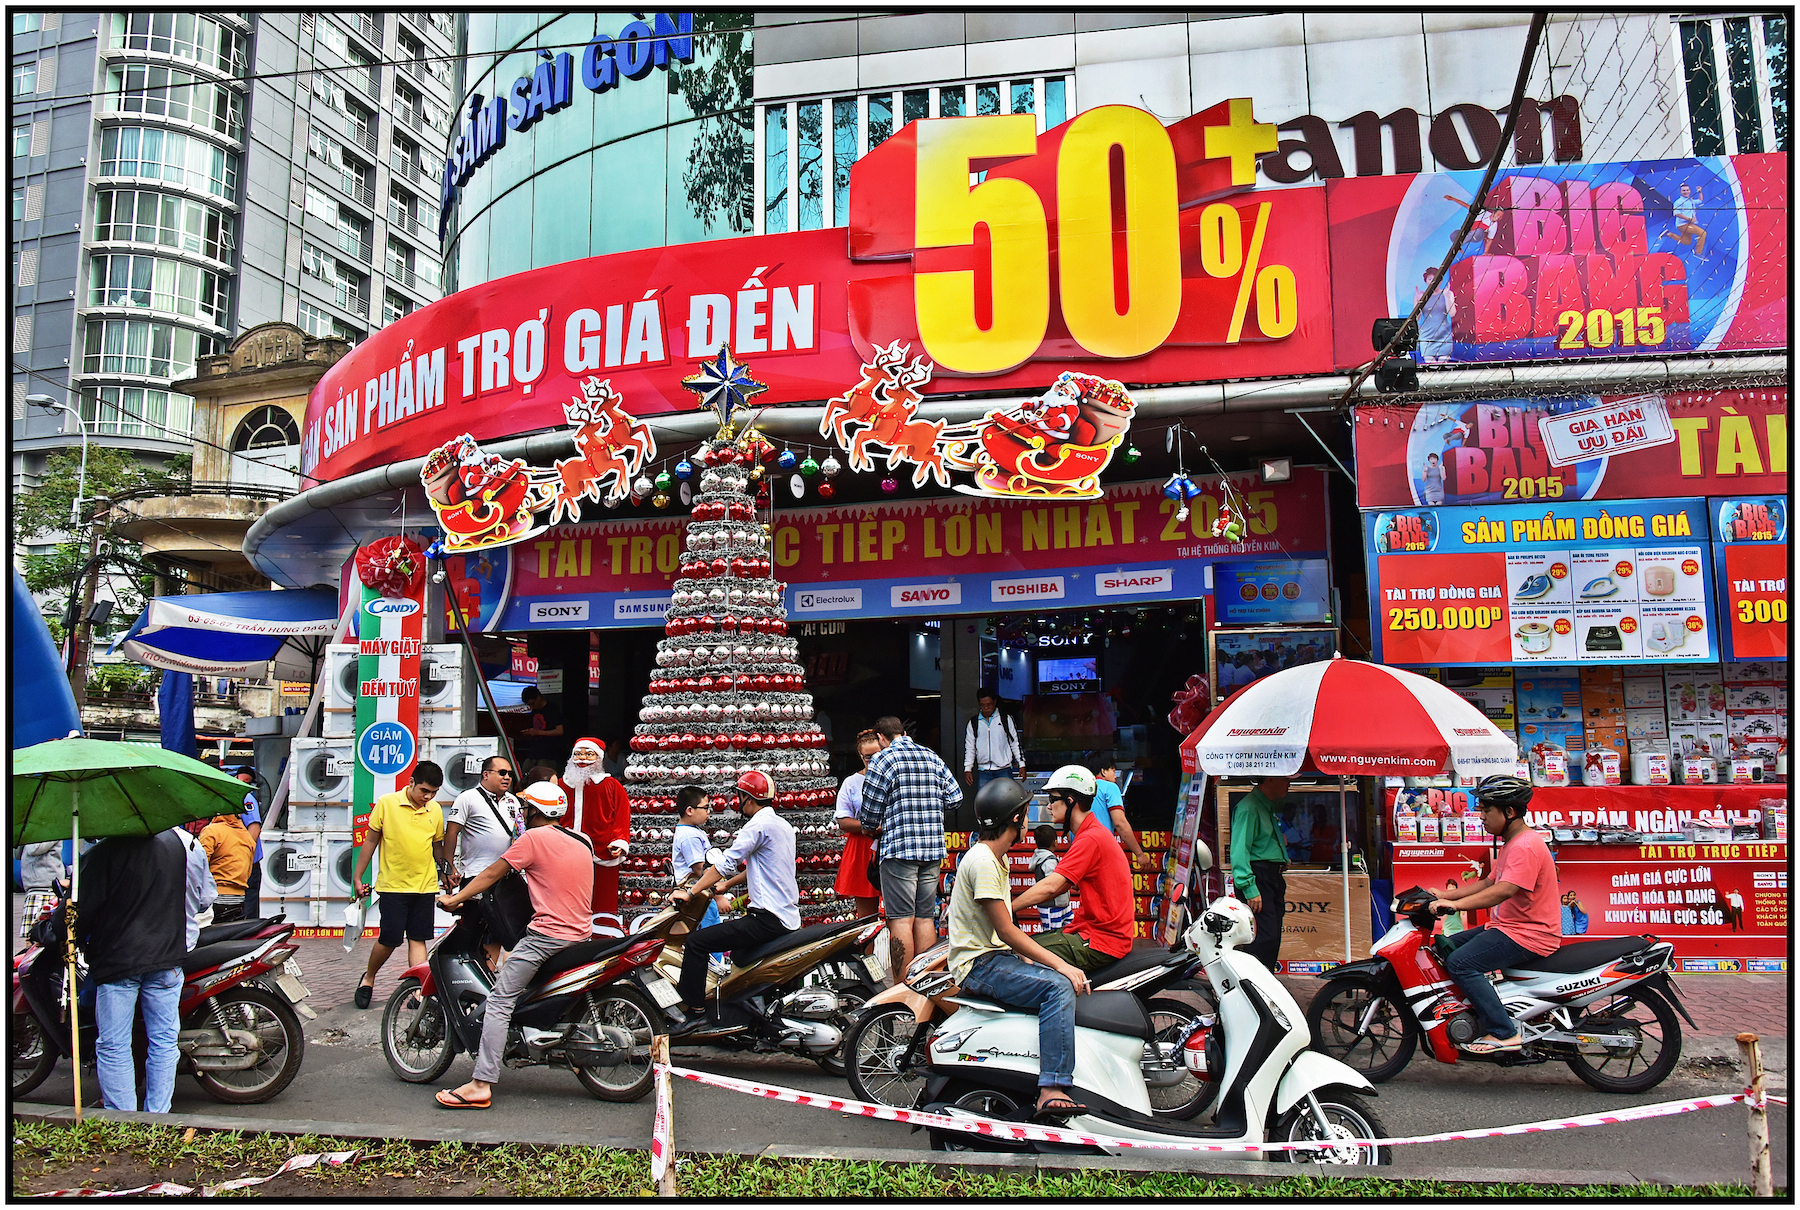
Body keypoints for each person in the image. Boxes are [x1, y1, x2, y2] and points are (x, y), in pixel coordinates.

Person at [433, 780, 595, 1110]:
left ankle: (481, 1083)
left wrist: (456, 898)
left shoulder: (533, 839)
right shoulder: (582, 840)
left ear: (534, 811)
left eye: (525, 809)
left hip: (545, 938)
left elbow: (493, 873)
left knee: (500, 1001)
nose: (522, 813)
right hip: (581, 934)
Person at [948, 777, 1092, 1123]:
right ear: (1015, 819)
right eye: (1025, 813)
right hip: (980, 965)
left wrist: (1032, 959)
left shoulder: (995, 859)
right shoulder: (984, 862)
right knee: (1058, 986)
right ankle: (1052, 1088)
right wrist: (1062, 966)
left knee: (1052, 977)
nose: (1028, 820)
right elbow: (1007, 930)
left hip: (991, 958)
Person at [1429, 775, 1562, 1054]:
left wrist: (1454, 907)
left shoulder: (1525, 846)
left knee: (1461, 963)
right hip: (1508, 927)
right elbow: (1489, 882)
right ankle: (1471, 1011)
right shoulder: (1513, 842)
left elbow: (1504, 890)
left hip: (1529, 934)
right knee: (1444, 946)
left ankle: (1504, 1032)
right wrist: (1444, 895)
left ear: (1509, 812)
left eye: (1487, 810)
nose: (1482, 817)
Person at [669, 771, 799, 1028]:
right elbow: (756, 868)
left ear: (748, 798)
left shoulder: (757, 826)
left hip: (766, 918)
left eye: (739, 796)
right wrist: (725, 886)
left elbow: (725, 863)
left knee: (696, 943)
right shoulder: (782, 826)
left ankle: (694, 1013)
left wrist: (691, 892)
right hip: (786, 916)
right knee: (739, 957)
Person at [76, 830, 187, 1112]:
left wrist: (56, 931)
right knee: (164, 1042)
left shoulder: (102, 854)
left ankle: (123, 1119)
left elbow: (82, 912)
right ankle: (158, 1115)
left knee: (114, 1044)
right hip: (167, 957)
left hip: (120, 961)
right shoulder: (175, 845)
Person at [860, 713, 962, 980]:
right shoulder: (931, 756)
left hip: (899, 850)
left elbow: (869, 813)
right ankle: (927, 982)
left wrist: (872, 824)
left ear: (881, 737)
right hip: (931, 850)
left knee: (901, 918)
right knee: (925, 916)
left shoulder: (883, 759)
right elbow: (955, 797)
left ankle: (904, 985)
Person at [1010, 767, 1134, 974]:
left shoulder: (1091, 838)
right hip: (1091, 931)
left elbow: (1052, 886)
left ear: (1070, 801)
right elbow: (1060, 884)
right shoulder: (1090, 833)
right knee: (1024, 946)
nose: (1048, 806)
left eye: (1052, 799)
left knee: (1020, 957)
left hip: (1102, 940)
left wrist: (1007, 908)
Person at [351, 762, 447, 1009]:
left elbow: (437, 847)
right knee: (390, 938)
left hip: (425, 886)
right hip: (393, 885)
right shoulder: (387, 803)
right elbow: (371, 840)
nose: (428, 797)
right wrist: (357, 876)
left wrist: (446, 872)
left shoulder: (434, 810)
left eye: (434, 793)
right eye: (424, 790)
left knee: (418, 938)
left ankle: (418, 992)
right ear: (411, 782)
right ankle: (368, 978)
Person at [445, 754, 521, 967]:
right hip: (475, 876)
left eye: (509, 774)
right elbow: (452, 833)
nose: (507, 777)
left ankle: (487, 977)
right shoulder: (467, 797)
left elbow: (520, 835)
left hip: (505, 878)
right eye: (502, 773)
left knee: (498, 931)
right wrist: (448, 867)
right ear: (486, 775)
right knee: (474, 929)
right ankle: (466, 973)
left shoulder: (513, 801)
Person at [559, 737, 631, 931]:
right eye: (578, 754)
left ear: (598, 757)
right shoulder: (560, 785)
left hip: (602, 850)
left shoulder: (612, 786)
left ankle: (603, 938)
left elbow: (622, 815)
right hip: (565, 852)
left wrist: (619, 840)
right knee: (566, 897)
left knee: (603, 899)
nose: (583, 759)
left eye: (589, 754)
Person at [1230, 775, 1290, 971]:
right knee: (1263, 938)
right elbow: (1239, 851)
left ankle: (1264, 982)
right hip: (1258, 878)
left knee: (1271, 937)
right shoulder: (1249, 807)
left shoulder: (1267, 807)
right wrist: (1249, 887)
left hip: (1272, 876)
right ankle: (1254, 985)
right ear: (1271, 779)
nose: (1288, 784)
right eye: (1285, 779)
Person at [833, 729, 887, 918]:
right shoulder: (851, 782)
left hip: (889, 844)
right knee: (866, 917)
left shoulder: (892, 776)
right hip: (862, 848)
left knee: (896, 913)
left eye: (878, 755)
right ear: (860, 756)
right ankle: (870, 948)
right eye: (868, 757)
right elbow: (843, 820)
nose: (873, 761)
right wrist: (867, 827)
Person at [670, 784, 721, 932]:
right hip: (699, 897)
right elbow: (700, 869)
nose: (708, 812)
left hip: (700, 894)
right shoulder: (689, 836)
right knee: (710, 936)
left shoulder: (691, 831)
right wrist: (718, 896)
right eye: (705, 807)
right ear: (690, 810)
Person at [1088, 758, 1152, 871]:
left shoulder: (1081, 789)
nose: (1115, 776)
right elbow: (1120, 823)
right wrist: (1139, 854)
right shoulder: (1110, 787)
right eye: (1113, 770)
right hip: (1101, 851)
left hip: (1080, 851)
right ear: (1103, 771)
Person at [199, 805, 255, 924]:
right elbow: (249, 870)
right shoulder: (246, 835)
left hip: (215, 897)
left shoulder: (212, 831)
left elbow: (200, 865)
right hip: (239, 899)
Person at [962, 690, 1024, 789]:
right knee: (985, 803)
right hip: (984, 770)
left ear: (994, 703)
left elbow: (1014, 743)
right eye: (983, 705)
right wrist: (968, 769)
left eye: (989, 704)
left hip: (1004, 769)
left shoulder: (1005, 719)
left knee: (1006, 801)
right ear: (979, 704)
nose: (986, 708)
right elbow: (970, 748)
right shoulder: (974, 723)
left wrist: (1021, 764)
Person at [172, 827, 217, 949]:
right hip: (185, 940)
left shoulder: (124, 844)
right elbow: (206, 899)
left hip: (132, 950)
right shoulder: (192, 843)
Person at [231, 767, 264, 919]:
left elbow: (254, 828)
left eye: (246, 781)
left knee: (248, 900)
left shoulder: (247, 798)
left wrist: (245, 855)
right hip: (240, 859)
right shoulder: (235, 796)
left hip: (247, 860)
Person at [1029, 825, 1072, 931]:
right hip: (1052, 907)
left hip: (1060, 905)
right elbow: (1052, 883)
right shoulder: (1049, 861)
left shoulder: (1044, 858)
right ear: (1055, 842)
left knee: (1069, 929)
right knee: (1053, 935)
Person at [517, 687, 564, 763]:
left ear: (538, 698)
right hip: (535, 751)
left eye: (532, 703)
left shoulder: (552, 709)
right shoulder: (534, 711)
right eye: (529, 705)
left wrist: (538, 732)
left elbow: (560, 731)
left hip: (549, 753)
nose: (531, 707)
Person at [1661, 183, 1707, 258]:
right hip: (1683, 224)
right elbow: (1676, 213)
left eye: (1687, 190)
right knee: (1702, 233)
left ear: (1690, 191)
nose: (1686, 192)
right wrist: (1689, 219)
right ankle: (1698, 252)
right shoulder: (1678, 202)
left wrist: (1700, 192)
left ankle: (1669, 234)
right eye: (1683, 190)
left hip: (1687, 224)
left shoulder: (1690, 200)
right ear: (1680, 192)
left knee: (1687, 242)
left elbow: (1700, 201)